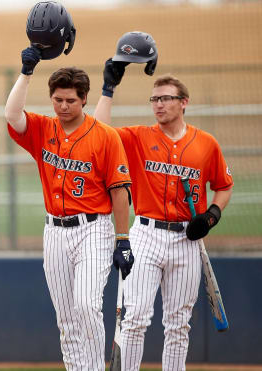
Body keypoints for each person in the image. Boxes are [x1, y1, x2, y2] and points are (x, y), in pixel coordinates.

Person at [94, 59, 234, 370]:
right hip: (146, 234)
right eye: (155, 99)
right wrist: (108, 89)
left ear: (184, 103)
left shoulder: (207, 144)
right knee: (135, 320)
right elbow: (99, 132)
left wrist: (211, 216)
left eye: (166, 98)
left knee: (178, 324)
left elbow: (223, 186)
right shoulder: (139, 137)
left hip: (187, 239)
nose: (159, 105)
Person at [4, 46, 134, 370]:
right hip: (55, 233)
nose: (63, 106)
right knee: (67, 319)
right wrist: (26, 71)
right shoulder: (43, 129)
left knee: (87, 307)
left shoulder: (105, 137)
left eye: (71, 100)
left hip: (94, 229)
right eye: (58, 99)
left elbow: (120, 192)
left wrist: (123, 239)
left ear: (85, 99)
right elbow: (11, 115)